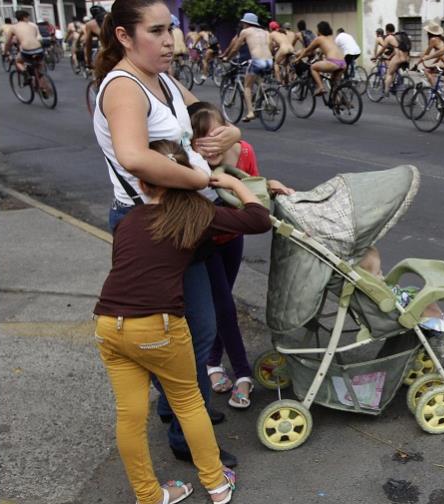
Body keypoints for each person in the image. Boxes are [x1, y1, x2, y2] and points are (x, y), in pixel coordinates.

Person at [92, 0, 244, 472]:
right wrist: (198, 178)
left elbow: (207, 114)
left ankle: (177, 408)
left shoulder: (162, 79)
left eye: (170, 29)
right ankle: (185, 432)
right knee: (187, 334)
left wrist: (230, 133)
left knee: (196, 328)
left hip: (178, 221)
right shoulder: (124, 87)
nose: (168, 41)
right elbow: (134, 156)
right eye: (156, 31)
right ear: (124, 36)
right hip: (150, 227)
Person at [95, 138, 264, 504]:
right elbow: (258, 219)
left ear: (142, 183)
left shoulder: (128, 221)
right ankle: (217, 485)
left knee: (129, 416)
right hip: (157, 325)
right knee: (188, 403)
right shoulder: (195, 214)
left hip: (108, 322)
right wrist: (233, 184)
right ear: (186, 176)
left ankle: (149, 496)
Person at [187, 103, 294, 408]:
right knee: (224, 307)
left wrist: (271, 187)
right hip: (204, 242)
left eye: (216, 137)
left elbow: (253, 190)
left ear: (227, 132)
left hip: (233, 239)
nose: (210, 147)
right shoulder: (191, 165)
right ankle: (243, 374)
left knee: (223, 304)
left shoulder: (244, 151)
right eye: (200, 141)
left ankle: (212, 361)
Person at [358, 246, 444, 355]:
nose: (382, 274)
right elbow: (390, 303)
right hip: (401, 312)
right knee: (426, 304)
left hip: (401, 302)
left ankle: (442, 318)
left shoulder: (368, 286)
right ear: (367, 279)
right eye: (377, 273)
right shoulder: (372, 291)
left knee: (419, 292)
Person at [220, 13, 273, 122]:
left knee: (247, 87)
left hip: (257, 61)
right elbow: (270, 46)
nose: (242, 25)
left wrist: (227, 58)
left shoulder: (245, 32)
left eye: (243, 23)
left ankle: (250, 112)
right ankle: (264, 98)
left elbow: (235, 48)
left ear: (246, 23)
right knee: (259, 80)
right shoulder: (265, 32)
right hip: (269, 61)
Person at [5, 10, 53, 97]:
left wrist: (5, 51)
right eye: (28, 17)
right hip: (39, 49)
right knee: (38, 70)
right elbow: (31, 38)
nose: (28, 19)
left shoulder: (13, 27)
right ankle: (42, 87)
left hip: (27, 50)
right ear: (24, 17)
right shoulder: (33, 26)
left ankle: (26, 74)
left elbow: (8, 42)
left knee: (18, 61)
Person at [293, 21, 346, 97]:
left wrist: (298, 59)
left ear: (320, 30)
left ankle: (321, 87)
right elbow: (324, 50)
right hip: (343, 63)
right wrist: (320, 56)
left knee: (313, 67)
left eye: (317, 29)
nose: (316, 31)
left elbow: (307, 50)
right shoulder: (331, 38)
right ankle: (340, 100)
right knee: (334, 84)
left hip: (333, 62)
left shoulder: (319, 39)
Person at [372, 23, 409, 95]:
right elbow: (396, 49)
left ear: (387, 30)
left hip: (399, 57)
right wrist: (390, 57)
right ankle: (395, 84)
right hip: (406, 57)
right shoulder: (398, 37)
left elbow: (382, 50)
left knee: (389, 73)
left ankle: (386, 92)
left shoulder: (389, 38)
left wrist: (375, 57)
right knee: (394, 70)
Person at [414, 21, 444, 88]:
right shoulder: (441, 39)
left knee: (427, 71)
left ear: (429, 32)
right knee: (432, 70)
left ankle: (435, 90)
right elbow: (440, 54)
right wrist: (434, 63)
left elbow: (426, 54)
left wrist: (416, 64)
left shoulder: (433, 40)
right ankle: (437, 90)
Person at [83, 4, 106, 70]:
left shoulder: (90, 24)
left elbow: (88, 44)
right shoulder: (112, 18)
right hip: (123, 49)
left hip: (105, 50)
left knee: (99, 72)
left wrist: (88, 62)